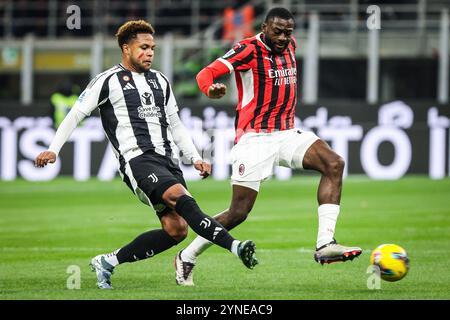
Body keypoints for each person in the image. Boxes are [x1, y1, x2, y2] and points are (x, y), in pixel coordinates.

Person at [34, 20, 258, 289]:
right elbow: (76, 114)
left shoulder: (160, 80)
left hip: (167, 160)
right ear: (126, 48)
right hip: (136, 160)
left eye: (152, 48)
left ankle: (108, 262)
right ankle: (235, 247)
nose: (149, 53)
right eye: (143, 47)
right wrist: (53, 149)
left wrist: (194, 157)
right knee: (179, 197)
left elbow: (175, 123)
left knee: (177, 231)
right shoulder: (107, 80)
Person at [174, 7, 362, 286]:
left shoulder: (290, 44)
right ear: (264, 27)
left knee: (334, 163)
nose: (284, 38)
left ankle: (324, 244)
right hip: (254, 138)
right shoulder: (247, 49)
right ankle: (187, 256)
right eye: (278, 32)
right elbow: (205, 73)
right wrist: (210, 89)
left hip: (286, 132)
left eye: (288, 32)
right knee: (238, 212)